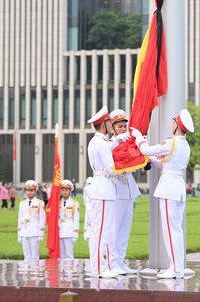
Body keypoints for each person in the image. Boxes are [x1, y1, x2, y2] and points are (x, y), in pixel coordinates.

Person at [132, 108, 194, 279]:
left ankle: (174, 268)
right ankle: (178, 267)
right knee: (176, 230)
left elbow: (146, 150)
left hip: (168, 188)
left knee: (170, 230)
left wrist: (139, 138)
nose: (172, 124)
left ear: (177, 127)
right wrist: (152, 159)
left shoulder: (171, 143)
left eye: (174, 122)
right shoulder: (184, 145)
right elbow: (165, 164)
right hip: (177, 186)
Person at [86, 106, 119, 278]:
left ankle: (98, 266)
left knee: (99, 230)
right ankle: (99, 268)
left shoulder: (94, 141)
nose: (112, 126)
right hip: (104, 188)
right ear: (104, 124)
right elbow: (112, 169)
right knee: (102, 231)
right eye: (109, 123)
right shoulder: (103, 144)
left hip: (99, 187)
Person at [108, 109, 141, 275]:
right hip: (115, 189)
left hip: (128, 189)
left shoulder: (127, 141)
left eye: (124, 126)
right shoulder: (109, 143)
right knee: (114, 229)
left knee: (125, 229)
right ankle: (112, 262)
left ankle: (120, 261)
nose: (123, 129)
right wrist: (116, 142)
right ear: (112, 128)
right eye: (119, 126)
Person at [17, 180, 46, 261]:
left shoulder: (40, 203)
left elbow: (42, 219)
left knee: (34, 256)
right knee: (26, 256)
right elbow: (20, 218)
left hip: (35, 232)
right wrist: (19, 233)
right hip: (25, 232)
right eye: (28, 190)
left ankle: (34, 273)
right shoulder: (22, 203)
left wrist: (41, 234)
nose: (29, 192)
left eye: (31, 190)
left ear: (35, 191)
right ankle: (26, 272)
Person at [58, 180, 79, 260]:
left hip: (69, 231)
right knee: (61, 255)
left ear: (70, 191)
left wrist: (75, 234)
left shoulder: (74, 203)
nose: (64, 192)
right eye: (62, 190)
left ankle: (70, 272)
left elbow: (76, 220)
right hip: (60, 230)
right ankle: (61, 271)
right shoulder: (58, 202)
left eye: (66, 190)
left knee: (69, 255)